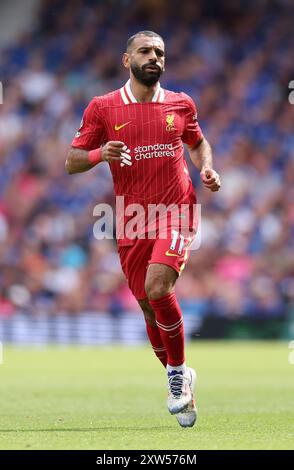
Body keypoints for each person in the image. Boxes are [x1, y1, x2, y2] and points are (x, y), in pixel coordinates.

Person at [66, 30, 221, 428]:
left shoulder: (181, 103)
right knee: (148, 309)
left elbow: (198, 142)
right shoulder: (103, 108)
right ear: (127, 59)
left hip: (177, 211)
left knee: (158, 288)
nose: (154, 57)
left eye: (160, 52)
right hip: (132, 220)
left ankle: (176, 375)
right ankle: (181, 377)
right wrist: (101, 153)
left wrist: (206, 165)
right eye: (146, 51)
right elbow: (72, 160)